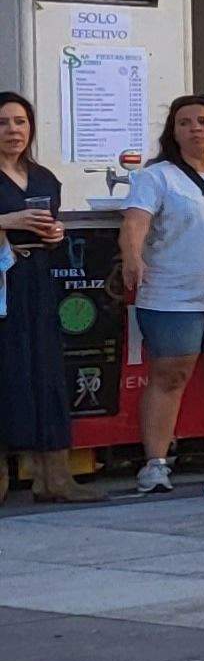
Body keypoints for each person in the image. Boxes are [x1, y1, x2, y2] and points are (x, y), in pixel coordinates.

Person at [120, 96, 204, 495]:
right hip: (171, 296)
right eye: (184, 122)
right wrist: (133, 258)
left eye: (203, 121)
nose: (195, 128)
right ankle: (156, 462)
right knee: (169, 376)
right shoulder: (157, 177)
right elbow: (135, 222)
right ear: (172, 132)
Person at [0, 95, 84, 503]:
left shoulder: (44, 177)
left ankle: (54, 476)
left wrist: (56, 234)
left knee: (46, 370)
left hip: (36, 278)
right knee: (6, 370)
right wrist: (4, 222)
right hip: (2, 282)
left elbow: (54, 222)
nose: (13, 130)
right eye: (3, 123)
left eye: (20, 122)